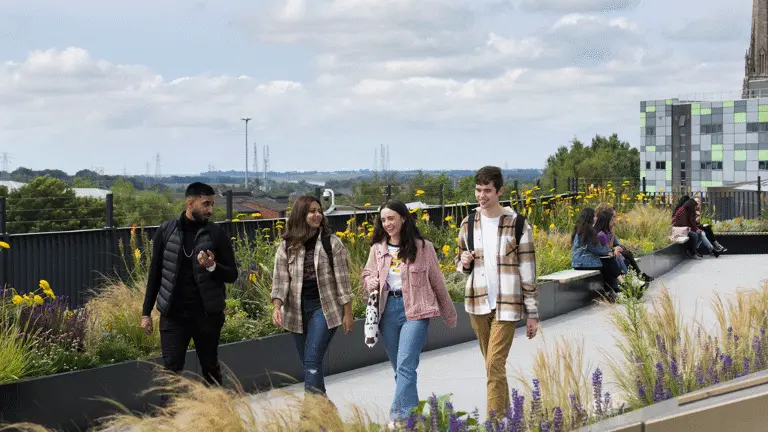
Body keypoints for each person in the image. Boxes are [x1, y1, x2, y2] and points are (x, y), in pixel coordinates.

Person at [362, 200, 457, 424]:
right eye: (383, 219)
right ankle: (414, 421)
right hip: (388, 311)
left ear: (403, 218)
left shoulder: (424, 247)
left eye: (391, 218)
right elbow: (366, 274)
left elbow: (437, 281)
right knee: (401, 370)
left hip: (416, 311)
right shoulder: (377, 249)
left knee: (406, 365)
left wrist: (449, 312)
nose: (387, 223)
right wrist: (371, 280)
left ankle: (398, 419)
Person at [455, 166, 538, 418]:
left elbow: (528, 271)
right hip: (478, 303)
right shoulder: (468, 223)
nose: (482, 195)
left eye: (487, 191)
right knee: (494, 368)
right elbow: (459, 262)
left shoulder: (519, 225)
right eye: (478, 190)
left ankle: (494, 422)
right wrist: (464, 261)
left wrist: (532, 313)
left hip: (508, 305)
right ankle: (509, 417)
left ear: (499, 191)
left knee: (494, 364)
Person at [141, 182, 238, 386]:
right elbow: (155, 274)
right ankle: (169, 418)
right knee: (171, 373)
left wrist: (212, 267)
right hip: (173, 316)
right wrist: (146, 312)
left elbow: (232, 274)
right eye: (206, 204)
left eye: (212, 204)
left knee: (210, 369)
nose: (211, 210)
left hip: (207, 316)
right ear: (190, 203)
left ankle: (216, 416)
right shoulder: (166, 231)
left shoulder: (216, 234)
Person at [271, 195, 355, 397]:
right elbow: (280, 279)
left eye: (319, 211)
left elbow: (343, 281)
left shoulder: (331, 243)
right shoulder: (287, 245)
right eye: (312, 211)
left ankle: (311, 412)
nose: (317, 215)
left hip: (324, 309)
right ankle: (323, 409)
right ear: (301, 215)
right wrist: (276, 306)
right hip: (295, 311)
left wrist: (348, 312)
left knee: (312, 360)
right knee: (310, 363)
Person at [570, 207, 624, 298]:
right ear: (590, 217)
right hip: (583, 262)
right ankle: (618, 287)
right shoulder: (587, 231)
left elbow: (595, 248)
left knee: (608, 262)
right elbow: (595, 249)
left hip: (580, 262)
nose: (596, 218)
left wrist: (608, 252)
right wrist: (609, 251)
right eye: (594, 216)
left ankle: (612, 290)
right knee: (608, 262)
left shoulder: (582, 229)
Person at [594, 203, 654, 282]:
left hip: (611, 252)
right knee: (624, 257)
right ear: (607, 217)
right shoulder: (600, 231)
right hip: (605, 256)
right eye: (613, 217)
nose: (616, 219)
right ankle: (632, 280)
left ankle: (636, 277)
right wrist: (614, 246)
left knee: (626, 254)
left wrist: (618, 248)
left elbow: (617, 244)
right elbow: (605, 248)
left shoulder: (608, 228)